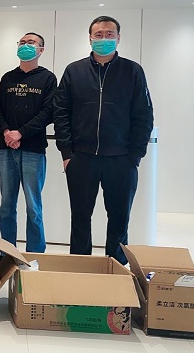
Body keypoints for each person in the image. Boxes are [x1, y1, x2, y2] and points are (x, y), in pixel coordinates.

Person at [54, 15, 153, 264]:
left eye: (110, 34)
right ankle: (81, 269)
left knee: (119, 219)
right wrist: (67, 152)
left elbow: (143, 115)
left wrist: (135, 156)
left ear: (118, 38)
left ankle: (115, 270)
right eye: (98, 35)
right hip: (82, 158)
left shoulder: (132, 71)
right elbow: (61, 112)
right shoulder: (74, 71)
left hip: (121, 159)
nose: (104, 39)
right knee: (80, 218)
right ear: (90, 38)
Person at [0, 32, 57, 251]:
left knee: (33, 207)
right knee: (6, 206)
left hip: (33, 149)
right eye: (22, 42)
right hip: (6, 149)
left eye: (31, 42)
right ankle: (7, 252)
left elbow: (48, 112)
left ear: (41, 50)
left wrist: (20, 133)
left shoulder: (48, 78)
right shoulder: (8, 78)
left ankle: (35, 254)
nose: (25, 45)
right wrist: (7, 132)